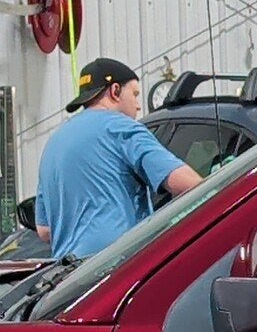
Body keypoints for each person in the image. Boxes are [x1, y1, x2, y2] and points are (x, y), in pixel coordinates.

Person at [34, 57, 198, 260]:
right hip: (116, 267)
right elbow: (188, 184)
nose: (138, 106)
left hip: (69, 273)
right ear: (115, 91)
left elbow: (44, 230)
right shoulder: (121, 128)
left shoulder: (53, 143)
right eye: (134, 94)